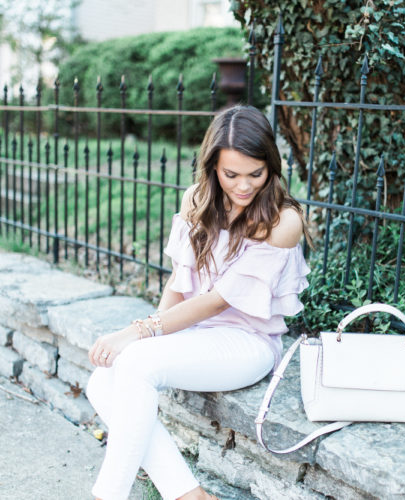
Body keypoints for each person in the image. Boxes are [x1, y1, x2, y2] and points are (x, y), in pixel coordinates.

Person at [86, 105, 311, 500]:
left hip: (248, 343)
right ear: (213, 167)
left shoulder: (283, 220)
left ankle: (109, 495)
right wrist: (147, 332)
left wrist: (136, 333)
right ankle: (190, 495)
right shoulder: (197, 200)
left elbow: (217, 301)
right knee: (101, 379)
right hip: (195, 332)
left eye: (255, 174)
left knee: (133, 364)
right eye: (231, 174)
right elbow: (180, 281)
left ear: (271, 166)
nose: (244, 186)